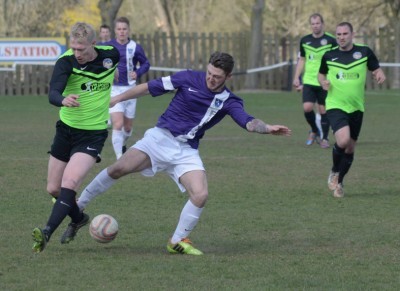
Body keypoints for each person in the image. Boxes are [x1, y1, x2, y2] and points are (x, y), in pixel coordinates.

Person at [61, 51, 291, 255]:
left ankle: (177, 240)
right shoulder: (188, 77)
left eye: (217, 76)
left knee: (200, 195)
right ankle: (79, 206)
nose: (211, 78)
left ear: (228, 77)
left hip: (185, 151)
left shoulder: (228, 101)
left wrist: (267, 128)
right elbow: (151, 87)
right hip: (159, 139)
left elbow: (247, 121)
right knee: (117, 168)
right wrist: (119, 98)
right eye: (210, 73)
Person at [31, 22, 120, 253]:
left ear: (94, 43)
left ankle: (47, 231)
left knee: (69, 183)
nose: (77, 53)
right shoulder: (66, 62)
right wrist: (63, 99)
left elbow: (114, 69)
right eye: (74, 48)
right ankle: (79, 219)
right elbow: (52, 93)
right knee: (53, 189)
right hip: (66, 131)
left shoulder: (112, 55)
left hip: (93, 134)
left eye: (82, 49)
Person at [318, 22, 385, 198]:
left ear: (352, 34)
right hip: (335, 105)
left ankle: (339, 182)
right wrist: (322, 82)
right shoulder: (329, 55)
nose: (341, 37)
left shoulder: (364, 52)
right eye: (338, 34)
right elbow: (321, 74)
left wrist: (379, 73)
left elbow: (376, 68)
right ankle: (334, 170)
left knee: (350, 149)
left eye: (345, 34)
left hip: (357, 107)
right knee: (343, 140)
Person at [108, 16, 150, 159]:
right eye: (119, 29)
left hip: (131, 91)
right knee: (117, 124)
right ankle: (120, 157)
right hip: (114, 89)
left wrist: (137, 72)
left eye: (124, 29)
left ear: (129, 30)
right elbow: (101, 63)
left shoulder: (135, 47)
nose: (122, 32)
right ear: (115, 31)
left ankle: (123, 144)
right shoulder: (108, 46)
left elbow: (146, 64)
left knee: (127, 128)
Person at [293, 13, 337, 148]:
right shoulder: (305, 40)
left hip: (324, 80)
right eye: (313, 24)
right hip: (309, 80)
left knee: (323, 110)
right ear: (310, 25)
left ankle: (324, 138)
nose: (315, 26)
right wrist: (296, 77)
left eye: (317, 23)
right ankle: (314, 130)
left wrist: (333, 79)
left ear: (322, 24)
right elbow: (302, 60)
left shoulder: (331, 40)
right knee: (307, 108)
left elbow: (336, 60)